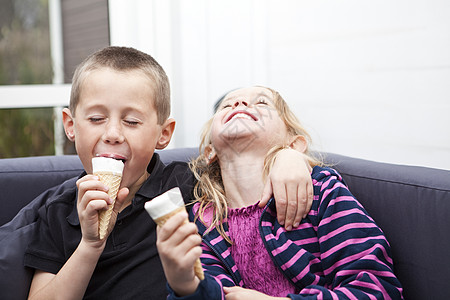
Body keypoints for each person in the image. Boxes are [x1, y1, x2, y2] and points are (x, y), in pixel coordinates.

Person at [24, 47, 313, 300]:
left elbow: (244, 160)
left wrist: (289, 157)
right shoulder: (58, 211)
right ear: (70, 125)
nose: (112, 133)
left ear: (164, 134)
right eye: (96, 118)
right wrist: (90, 245)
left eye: (132, 121)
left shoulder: (192, 184)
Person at [156, 86, 404, 299]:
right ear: (209, 152)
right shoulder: (206, 221)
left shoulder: (322, 191)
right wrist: (185, 283)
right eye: (226, 105)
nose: (239, 103)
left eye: (262, 102)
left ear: (294, 143)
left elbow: (378, 289)